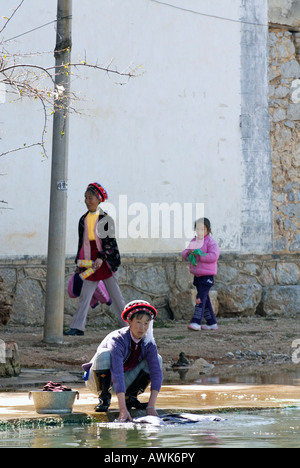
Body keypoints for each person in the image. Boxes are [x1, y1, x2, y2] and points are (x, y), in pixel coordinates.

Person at [82, 300, 163, 422]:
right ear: (129, 321)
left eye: (146, 323)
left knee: (157, 358)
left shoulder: (148, 343)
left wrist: (151, 406)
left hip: (123, 381)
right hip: (97, 380)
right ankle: (104, 398)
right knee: (104, 354)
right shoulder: (117, 339)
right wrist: (123, 410)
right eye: (138, 322)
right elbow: (117, 372)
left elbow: (156, 373)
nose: (142, 327)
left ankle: (130, 397)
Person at [64, 182, 125, 336]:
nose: (87, 200)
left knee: (116, 296)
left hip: (105, 262)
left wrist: (102, 257)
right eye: (86, 198)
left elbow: (110, 243)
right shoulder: (83, 219)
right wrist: (79, 262)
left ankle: (126, 326)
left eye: (90, 197)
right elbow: (81, 243)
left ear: (99, 200)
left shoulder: (105, 219)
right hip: (89, 261)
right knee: (85, 295)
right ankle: (78, 327)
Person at [182, 217, 220, 331]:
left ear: (208, 230)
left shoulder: (211, 242)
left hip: (207, 276)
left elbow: (214, 256)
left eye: (202, 229)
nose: (200, 232)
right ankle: (211, 322)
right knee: (205, 299)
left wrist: (200, 255)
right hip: (198, 276)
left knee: (200, 299)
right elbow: (184, 253)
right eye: (197, 229)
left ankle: (196, 322)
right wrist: (188, 252)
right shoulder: (194, 242)